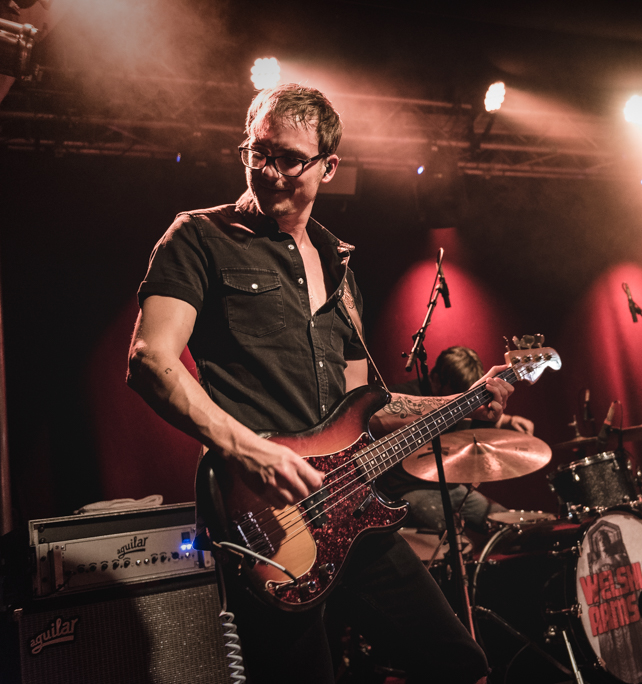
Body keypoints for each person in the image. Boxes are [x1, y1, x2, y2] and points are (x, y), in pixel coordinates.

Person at [125, 83, 513, 684]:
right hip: (264, 520)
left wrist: (467, 400)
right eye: (259, 153)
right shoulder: (198, 237)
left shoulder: (339, 266)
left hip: (349, 511)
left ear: (329, 166)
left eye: (290, 159)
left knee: (461, 666)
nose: (270, 172)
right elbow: (150, 360)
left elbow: (368, 405)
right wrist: (249, 450)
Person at [379, 345, 534, 532]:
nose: (464, 406)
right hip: (407, 490)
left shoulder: (463, 400)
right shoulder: (400, 399)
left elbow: (477, 418)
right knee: (449, 530)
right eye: (456, 393)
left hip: (450, 487)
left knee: (506, 525)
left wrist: (507, 420)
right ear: (436, 379)